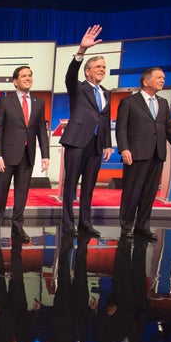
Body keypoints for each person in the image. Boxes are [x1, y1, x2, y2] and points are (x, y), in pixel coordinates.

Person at [116, 67, 171, 240]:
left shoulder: (163, 103)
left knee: (149, 193)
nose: (162, 80)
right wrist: (124, 148)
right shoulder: (129, 102)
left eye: (163, 78)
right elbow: (121, 129)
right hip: (135, 154)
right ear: (145, 81)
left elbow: (168, 128)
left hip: (157, 154)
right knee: (132, 192)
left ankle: (142, 226)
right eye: (159, 77)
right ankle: (126, 226)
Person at [60, 25, 114, 238]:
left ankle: (85, 223)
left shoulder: (106, 93)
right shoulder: (78, 87)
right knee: (71, 183)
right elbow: (69, 75)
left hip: (96, 145)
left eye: (104, 67)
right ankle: (67, 223)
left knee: (89, 185)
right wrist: (81, 51)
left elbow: (105, 118)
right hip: (77, 142)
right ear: (88, 71)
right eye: (98, 66)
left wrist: (108, 143)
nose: (102, 69)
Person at [0, 65, 50, 243]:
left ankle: (18, 227)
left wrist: (45, 155)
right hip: (6, 157)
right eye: (24, 76)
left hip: (27, 155)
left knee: (21, 193)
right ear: (15, 81)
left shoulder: (39, 103)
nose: (28, 78)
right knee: (1, 192)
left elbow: (41, 131)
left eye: (30, 75)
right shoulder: (5, 102)